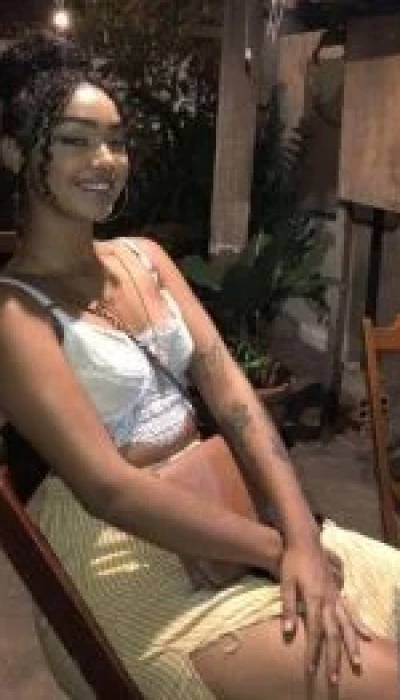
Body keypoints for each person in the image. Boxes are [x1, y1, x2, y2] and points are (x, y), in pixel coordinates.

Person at [0, 31, 398, 700]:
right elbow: (110, 490)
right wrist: (277, 551)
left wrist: (301, 534)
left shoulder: (146, 258)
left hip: (220, 509)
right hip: (123, 562)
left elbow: (237, 404)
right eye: (73, 140)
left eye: (116, 140)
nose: (105, 160)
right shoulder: (14, 312)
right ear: (14, 152)